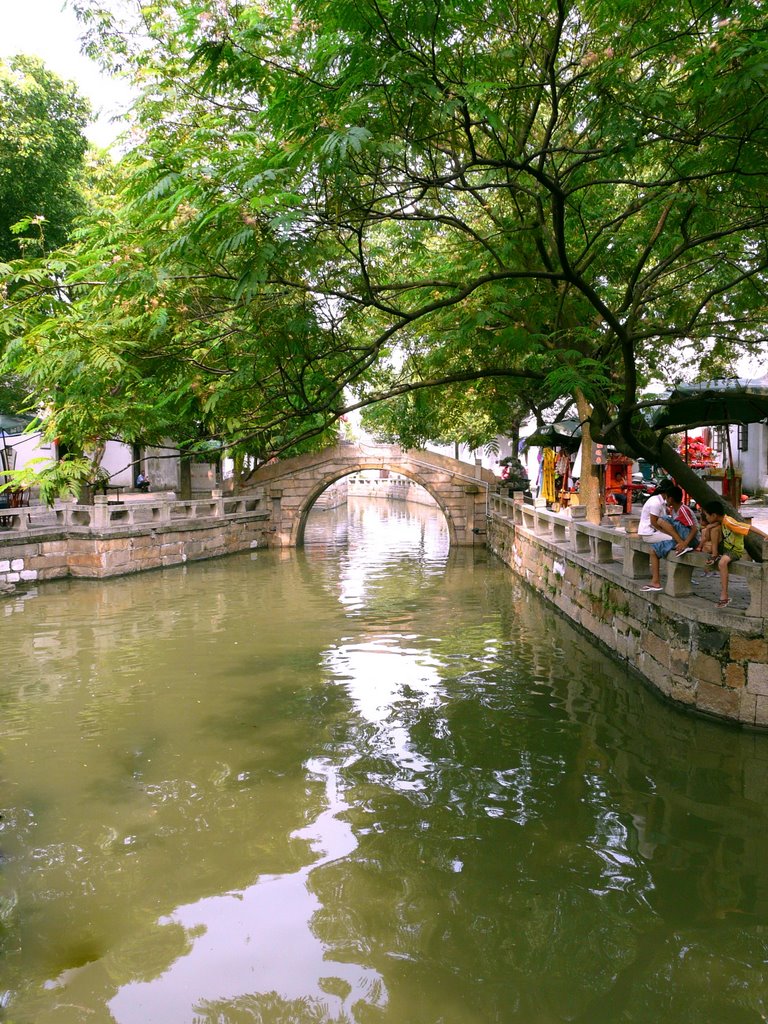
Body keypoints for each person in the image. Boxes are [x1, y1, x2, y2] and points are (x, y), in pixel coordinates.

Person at [637, 478, 682, 591]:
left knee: (675, 538)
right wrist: (668, 532)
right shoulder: (655, 502)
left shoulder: (661, 502)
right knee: (675, 540)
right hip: (649, 533)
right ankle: (658, 580)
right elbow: (654, 522)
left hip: (656, 531)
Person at [700, 500, 746, 608]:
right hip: (725, 547)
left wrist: (764, 535)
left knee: (722, 563)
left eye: (706, 515)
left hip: (734, 551)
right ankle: (715, 554)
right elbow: (706, 537)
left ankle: (724, 595)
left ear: (714, 515)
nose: (706, 518)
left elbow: (747, 527)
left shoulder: (729, 521)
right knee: (714, 530)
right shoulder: (719, 522)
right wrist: (709, 528)